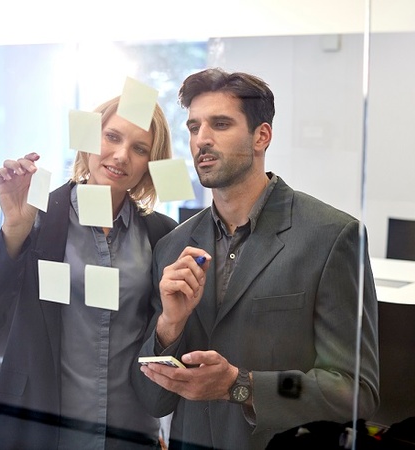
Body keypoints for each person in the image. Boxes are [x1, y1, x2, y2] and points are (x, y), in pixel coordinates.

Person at [132, 68, 380, 450]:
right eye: (194, 127)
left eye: (220, 124)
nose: (202, 140)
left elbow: (354, 390)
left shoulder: (332, 237)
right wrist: (169, 326)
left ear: (261, 136)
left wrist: (241, 386)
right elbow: (153, 400)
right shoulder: (172, 246)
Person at [0, 96, 177, 450]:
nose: (122, 155)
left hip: (127, 431)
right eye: (111, 137)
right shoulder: (38, 215)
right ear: (88, 139)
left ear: (150, 164)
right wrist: (14, 230)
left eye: (139, 148)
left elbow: (159, 342)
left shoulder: (160, 233)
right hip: (40, 430)